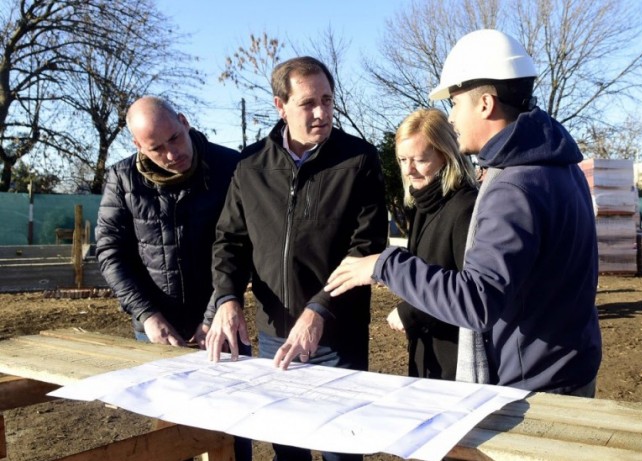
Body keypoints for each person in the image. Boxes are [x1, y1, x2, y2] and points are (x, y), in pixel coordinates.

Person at [326, 29, 602, 397]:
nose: (451, 118)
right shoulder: (559, 164)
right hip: (569, 367)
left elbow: (477, 301)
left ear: (485, 104)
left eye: (455, 103)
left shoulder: (512, 186)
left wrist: (383, 265)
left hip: (535, 386)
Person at [205, 56, 388, 461]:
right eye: (308, 103)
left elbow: (365, 247)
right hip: (273, 334)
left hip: (336, 334)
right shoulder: (251, 166)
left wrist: (319, 310)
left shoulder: (358, 161)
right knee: (288, 447)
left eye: (328, 99)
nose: (322, 112)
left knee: (342, 446)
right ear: (280, 106)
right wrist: (227, 299)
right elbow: (230, 241)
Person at [95, 96, 250, 461]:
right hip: (155, 326)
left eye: (175, 139)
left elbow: (245, 245)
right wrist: (147, 315)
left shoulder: (231, 167)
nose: (170, 154)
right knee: (167, 433)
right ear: (137, 145)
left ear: (184, 121)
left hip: (222, 320)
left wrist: (215, 314)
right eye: (156, 148)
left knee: (233, 423)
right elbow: (110, 252)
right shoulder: (122, 178)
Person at [387, 108, 478, 380]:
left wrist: (410, 313)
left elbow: (470, 290)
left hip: (457, 359)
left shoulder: (465, 208)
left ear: (446, 155)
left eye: (420, 159)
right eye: (403, 159)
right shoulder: (423, 205)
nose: (408, 170)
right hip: (428, 352)